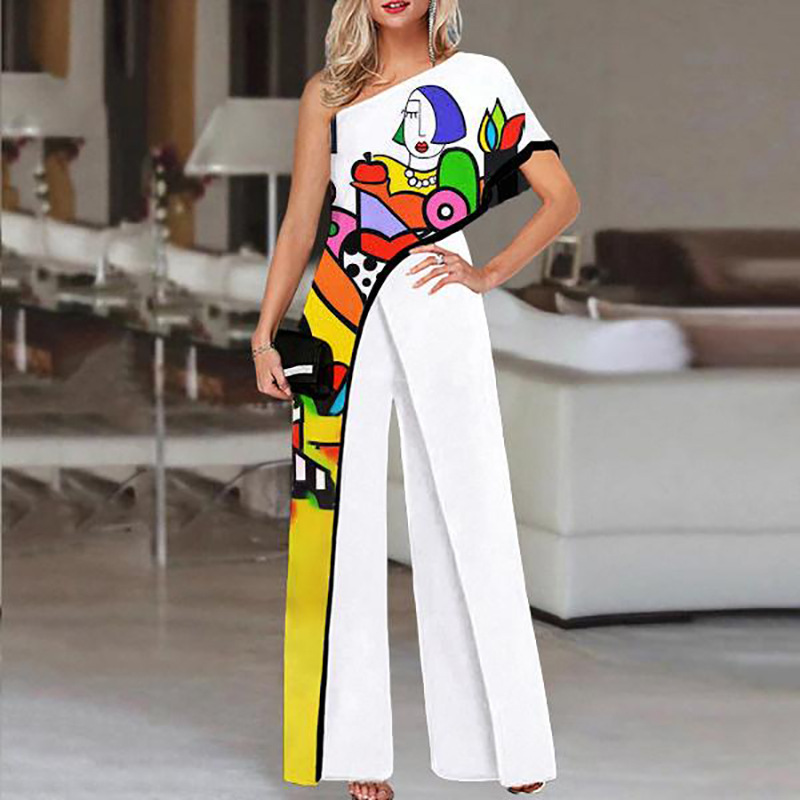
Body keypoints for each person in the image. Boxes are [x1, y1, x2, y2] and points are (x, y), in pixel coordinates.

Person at [250, 2, 580, 798]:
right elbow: (301, 224)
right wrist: (264, 336)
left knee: (472, 503)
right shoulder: (327, 92)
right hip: (337, 313)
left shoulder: (479, 80)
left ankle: (507, 748)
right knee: (335, 521)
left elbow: (561, 197)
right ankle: (354, 751)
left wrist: (488, 273)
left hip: (440, 302)